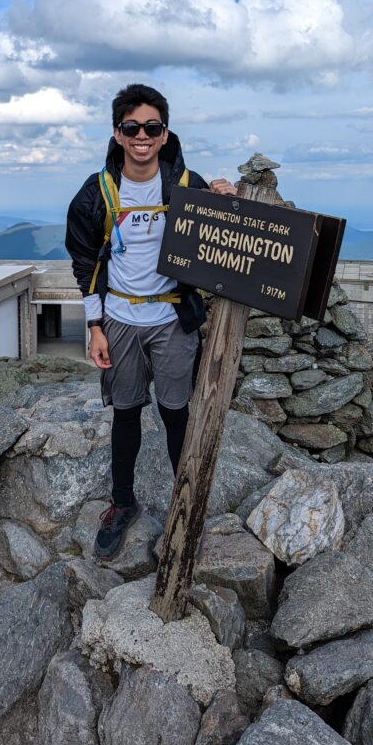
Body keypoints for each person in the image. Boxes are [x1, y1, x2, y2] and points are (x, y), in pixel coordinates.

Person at [66, 83, 236, 559]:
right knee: (126, 412)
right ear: (118, 134)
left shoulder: (186, 184)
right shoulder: (97, 192)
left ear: (164, 134)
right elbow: (85, 263)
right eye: (132, 128)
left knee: (176, 412)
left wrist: (227, 199)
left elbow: (221, 242)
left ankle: (186, 507)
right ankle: (123, 502)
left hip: (172, 317)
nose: (142, 136)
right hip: (118, 317)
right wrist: (95, 326)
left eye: (152, 127)